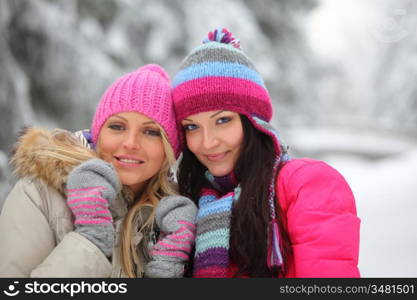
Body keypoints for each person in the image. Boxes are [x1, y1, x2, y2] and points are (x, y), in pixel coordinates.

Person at [172, 28, 361, 278]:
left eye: (223, 120)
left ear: (254, 122)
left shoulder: (307, 185)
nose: (207, 142)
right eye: (192, 127)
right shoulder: (188, 200)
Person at [0, 64, 196, 278]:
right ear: (98, 134)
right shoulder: (38, 195)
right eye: (117, 127)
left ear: (170, 149)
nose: (130, 143)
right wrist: (90, 241)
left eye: (150, 132)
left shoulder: (175, 219)